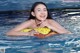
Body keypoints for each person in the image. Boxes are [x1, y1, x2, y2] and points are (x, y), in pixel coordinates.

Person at [6, 2, 71, 38]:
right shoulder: (30, 22)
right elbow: (9, 33)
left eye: (44, 10)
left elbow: (68, 33)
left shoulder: (50, 22)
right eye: (39, 10)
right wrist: (28, 34)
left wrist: (50, 26)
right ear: (33, 13)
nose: (42, 13)